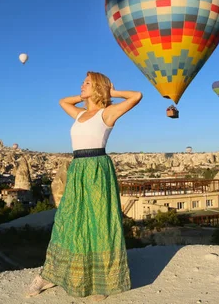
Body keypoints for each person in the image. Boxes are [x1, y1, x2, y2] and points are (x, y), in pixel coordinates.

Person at [26, 71, 142, 301]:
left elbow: (136, 96)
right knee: (68, 220)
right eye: (82, 82)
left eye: (87, 83)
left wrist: (111, 92)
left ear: (98, 86)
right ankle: (50, 274)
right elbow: (63, 101)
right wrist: (85, 96)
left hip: (98, 168)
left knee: (99, 222)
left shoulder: (107, 114)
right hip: (78, 168)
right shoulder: (79, 114)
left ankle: (101, 282)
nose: (81, 85)